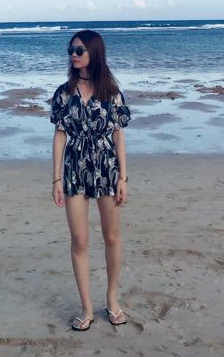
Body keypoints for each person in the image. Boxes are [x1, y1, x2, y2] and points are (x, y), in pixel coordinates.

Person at [50, 30, 131, 331]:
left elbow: (118, 135)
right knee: (80, 241)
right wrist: (56, 179)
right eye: (71, 49)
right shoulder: (63, 93)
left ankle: (112, 300)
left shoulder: (111, 92)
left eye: (79, 50)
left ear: (94, 53)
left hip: (107, 167)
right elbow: (59, 135)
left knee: (112, 237)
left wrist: (123, 177)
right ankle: (86, 307)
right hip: (74, 167)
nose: (73, 54)